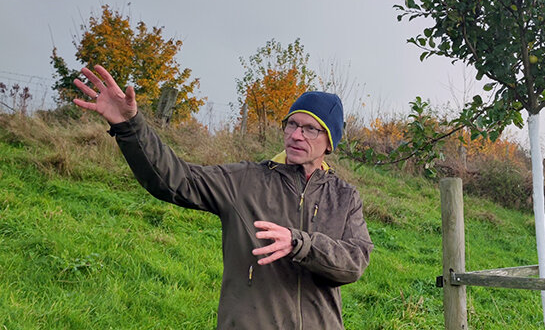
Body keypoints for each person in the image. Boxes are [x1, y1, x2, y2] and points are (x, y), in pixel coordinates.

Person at [74, 64, 372, 329]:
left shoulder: (344, 197)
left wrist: (299, 243)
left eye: (310, 130)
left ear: (329, 142)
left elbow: (354, 262)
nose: (296, 135)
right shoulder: (246, 181)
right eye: (292, 124)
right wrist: (129, 126)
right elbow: (174, 180)